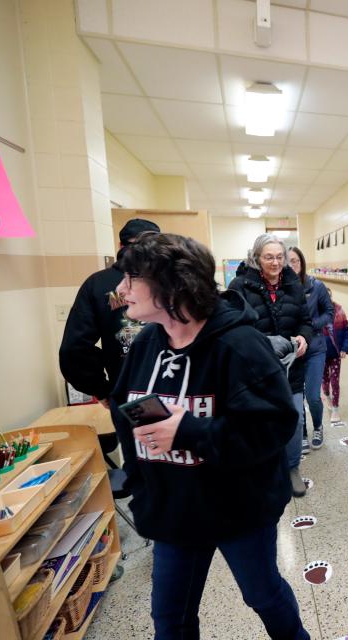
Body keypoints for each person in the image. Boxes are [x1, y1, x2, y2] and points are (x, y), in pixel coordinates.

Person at [108, 233, 309, 640]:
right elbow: (124, 412)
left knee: (263, 594)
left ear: (171, 284)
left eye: (132, 277)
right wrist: (140, 486)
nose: (121, 289)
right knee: (170, 619)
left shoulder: (239, 345)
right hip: (173, 511)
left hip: (239, 509)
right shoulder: (147, 343)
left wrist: (189, 431)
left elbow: (273, 426)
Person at [228, 234, 312, 497]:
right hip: (257, 370)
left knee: (294, 418)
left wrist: (303, 337)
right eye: (268, 257)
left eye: (279, 257)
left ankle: (292, 468)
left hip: (291, 367)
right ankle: (262, 470)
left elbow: (306, 321)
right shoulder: (240, 286)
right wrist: (261, 343)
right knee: (260, 420)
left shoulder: (293, 285)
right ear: (256, 258)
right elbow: (232, 327)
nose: (275, 262)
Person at [59, 218, 160, 407]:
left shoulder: (97, 284)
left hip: (128, 394)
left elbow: (74, 349)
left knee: (134, 437)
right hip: (181, 390)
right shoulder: (173, 278)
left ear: (120, 246)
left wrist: (102, 390)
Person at [287, 247, 333, 451]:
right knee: (297, 395)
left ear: (302, 262)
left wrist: (311, 325)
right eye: (288, 261)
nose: (291, 265)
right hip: (292, 351)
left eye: (295, 260)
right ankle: (303, 432)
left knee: (313, 395)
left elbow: (329, 312)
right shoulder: (281, 289)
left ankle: (318, 426)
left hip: (314, 348)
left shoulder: (316, 286)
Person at [322, 288, 348, 424]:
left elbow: (346, 331)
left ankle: (335, 408)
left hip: (335, 353)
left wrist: (345, 348)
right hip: (320, 354)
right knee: (325, 381)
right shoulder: (314, 311)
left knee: (335, 381)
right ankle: (327, 395)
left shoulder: (339, 310)